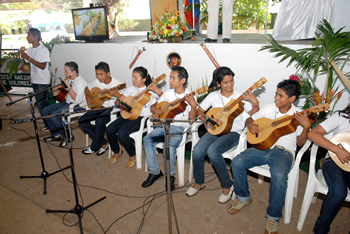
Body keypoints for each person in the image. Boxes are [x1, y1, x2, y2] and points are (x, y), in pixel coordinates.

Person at [229, 79, 311, 234]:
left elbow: (300, 142)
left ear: (292, 99)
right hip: (263, 147)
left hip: (283, 152)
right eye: (276, 94)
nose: (276, 98)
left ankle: (273, 217)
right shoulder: (269, 108)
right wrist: (251, 124)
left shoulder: (298, 116)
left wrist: (306, 127)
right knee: (237, 162)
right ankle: (244, 197)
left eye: (281, 96)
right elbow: (249, 117)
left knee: (279, 176)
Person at [186, 66, 259, 203]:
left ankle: (227, 185)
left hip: (233, 132)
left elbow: (252, 116)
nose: (230, 84)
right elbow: (200, 111)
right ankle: (199, 182)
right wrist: (208, 119)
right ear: (218, 84)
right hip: (216, 129)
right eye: (225, 82)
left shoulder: (240, 97)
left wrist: (255, 103)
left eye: (231, 81)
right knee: (197, 150)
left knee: (213, 151)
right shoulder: (213, 96)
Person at [141, 66, 197, 191]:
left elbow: (191, 120)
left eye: (173, 78)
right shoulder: (167, 94)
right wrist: (155, 110)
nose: (170, 80)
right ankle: (155, 172)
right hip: (164, 125)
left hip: (180, 128)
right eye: (170, 77)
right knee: (147, 139)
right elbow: (155, 106)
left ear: (183, 80)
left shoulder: (190, 97)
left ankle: (170, 176)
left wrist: (193, 106)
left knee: (170, 144)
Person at [106, 66, 162, 168]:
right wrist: (122, 104)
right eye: (132, 77)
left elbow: (165, 100)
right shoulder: (131, 89)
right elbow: (118, 101)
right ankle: (116, 151)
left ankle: (132, 155)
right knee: (109, 129)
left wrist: (157, 90)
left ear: (144, 79)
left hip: (141, 117)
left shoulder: (151, 91)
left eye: (136, 77)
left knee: (122, 133)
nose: (133, 80)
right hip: (128, 114)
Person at [308, 104, 350, 234]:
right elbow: (313, 134)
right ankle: (321, 229)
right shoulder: (341, 117)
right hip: (333, 162)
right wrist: (337, 150)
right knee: (338, 192)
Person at [78, 62, 123, 156]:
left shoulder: (118, 84)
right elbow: (87, 88)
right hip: (99, 106)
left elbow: (120, 103)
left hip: (111, 109)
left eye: (101, 74)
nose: (98, 77)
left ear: (108, 73)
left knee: (99, 121)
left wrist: (117, 95)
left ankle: (94, 146)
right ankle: (103, 142)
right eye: (97, 74)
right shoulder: (97, 81)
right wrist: (88, 97)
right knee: (81, 121)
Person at [43, 62, 87, 147]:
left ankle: (67, 136)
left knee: (56, 115)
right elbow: (61, 97)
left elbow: (77, 100)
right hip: (67, 102)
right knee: (46, 111)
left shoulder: (81, 83)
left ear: (73, 72)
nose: (64, 73)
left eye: (66, 71)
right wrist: (57, 92)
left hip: (78, 105)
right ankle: (56, 134)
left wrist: (68, 88)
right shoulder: (70, 80)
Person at [19, 28, 51, 118]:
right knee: (40, 105)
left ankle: (50, 126)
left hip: (43, 81)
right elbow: (27, 63)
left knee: (42, 105)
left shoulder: (43, 50)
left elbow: (42, 66)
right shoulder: (29, 50)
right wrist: (23, 67)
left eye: (29, 35)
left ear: (35, 36)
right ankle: (48, 125)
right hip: (35, 80)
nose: (27, 37)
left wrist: (28, 58)